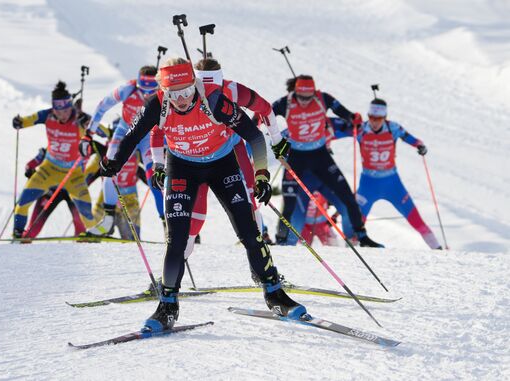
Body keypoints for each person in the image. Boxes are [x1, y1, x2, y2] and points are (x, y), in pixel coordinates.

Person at [99, 58, 306, 332]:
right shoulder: (156, 104)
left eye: (186, 92)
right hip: (182, 168)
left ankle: (275, 295)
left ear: (195, 85)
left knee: (249, 232)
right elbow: (132, 135)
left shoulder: (215, 101)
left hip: (222, 165)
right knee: (177, 239)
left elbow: (255, 137)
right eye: (174, 95)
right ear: (164, 92)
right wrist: (114, 162)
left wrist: (261, 176)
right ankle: (167, 306)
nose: (182, 100)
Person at [180, 57, 290, 258]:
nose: (210, 95)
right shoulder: (185, 93)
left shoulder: (232, 89)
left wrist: (277, 140)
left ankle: (264, 270)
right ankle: (171, 277)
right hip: (198, 158)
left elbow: (265, 108)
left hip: (231, 152)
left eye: (215, 90)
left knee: (249, 205)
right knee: (195, 217)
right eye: (204, 89)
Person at [272, 75, 382, 247]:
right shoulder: (285, 103)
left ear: (314, 93)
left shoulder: (324, 103)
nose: (304, 102)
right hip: (298, 161)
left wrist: (353, 118)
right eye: (301, 97)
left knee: (347, 199)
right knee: (290, 206)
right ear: (294, 93)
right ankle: (281, 241)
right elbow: (265, 114)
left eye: (308, 98)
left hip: (320, 159)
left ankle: (361, 237)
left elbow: (347, 117)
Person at [82, 66, 165, 236]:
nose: (146, 95)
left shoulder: (163, 92)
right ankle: (108, 219)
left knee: (155, 177)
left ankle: (167, 224)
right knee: (109, 167)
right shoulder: (128, 89)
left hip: (148, 136)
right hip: (125, 131)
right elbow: (102, 105)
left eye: (152, 91)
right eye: (143, 90)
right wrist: (89, 134)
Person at [11, 81, 99, 238]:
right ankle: (17, 235)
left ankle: (93, 238)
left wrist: (90, 123)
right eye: (59, 111)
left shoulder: (80, 119)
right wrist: (18, 122)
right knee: (22, 204)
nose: (63, 114)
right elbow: (25, 121)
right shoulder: (47, 115)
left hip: (73, 174)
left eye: (66, 110)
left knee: (86, 212)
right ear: (54, 109)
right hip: (49, 169)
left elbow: (104, 132)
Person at [354, 98, 442, 249]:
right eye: (371, 118)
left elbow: (410, 138)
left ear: (384, 117)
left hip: (392, 184)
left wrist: (420, 145)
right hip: (368, 184)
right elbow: (335, 132)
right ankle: (347, 252)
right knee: (356, 222)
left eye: (379, 118)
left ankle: (438, 249)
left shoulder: (393, 128)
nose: (374, 122)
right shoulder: (360, 129)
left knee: (415, 219)